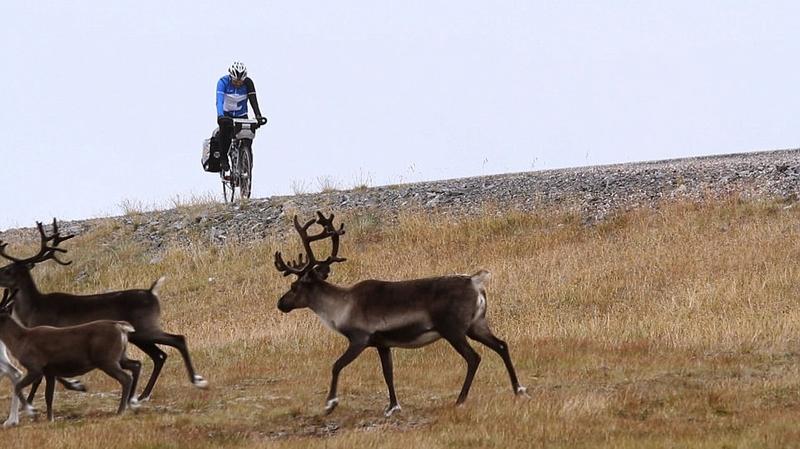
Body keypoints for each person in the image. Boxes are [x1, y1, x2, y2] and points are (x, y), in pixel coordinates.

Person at [214, 61, 264, 171]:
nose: (238, 83)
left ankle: (246, 165)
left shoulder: (248, 83)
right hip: (227, 115)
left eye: (240, 81)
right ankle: (223, 158)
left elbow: (253, 100)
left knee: (247, 139)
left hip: (242, 115)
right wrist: (220, 116)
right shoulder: (223, 82)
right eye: (236, 81)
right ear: (231, 77)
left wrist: (258, 115)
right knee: (225, 133)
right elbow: (219, 101)